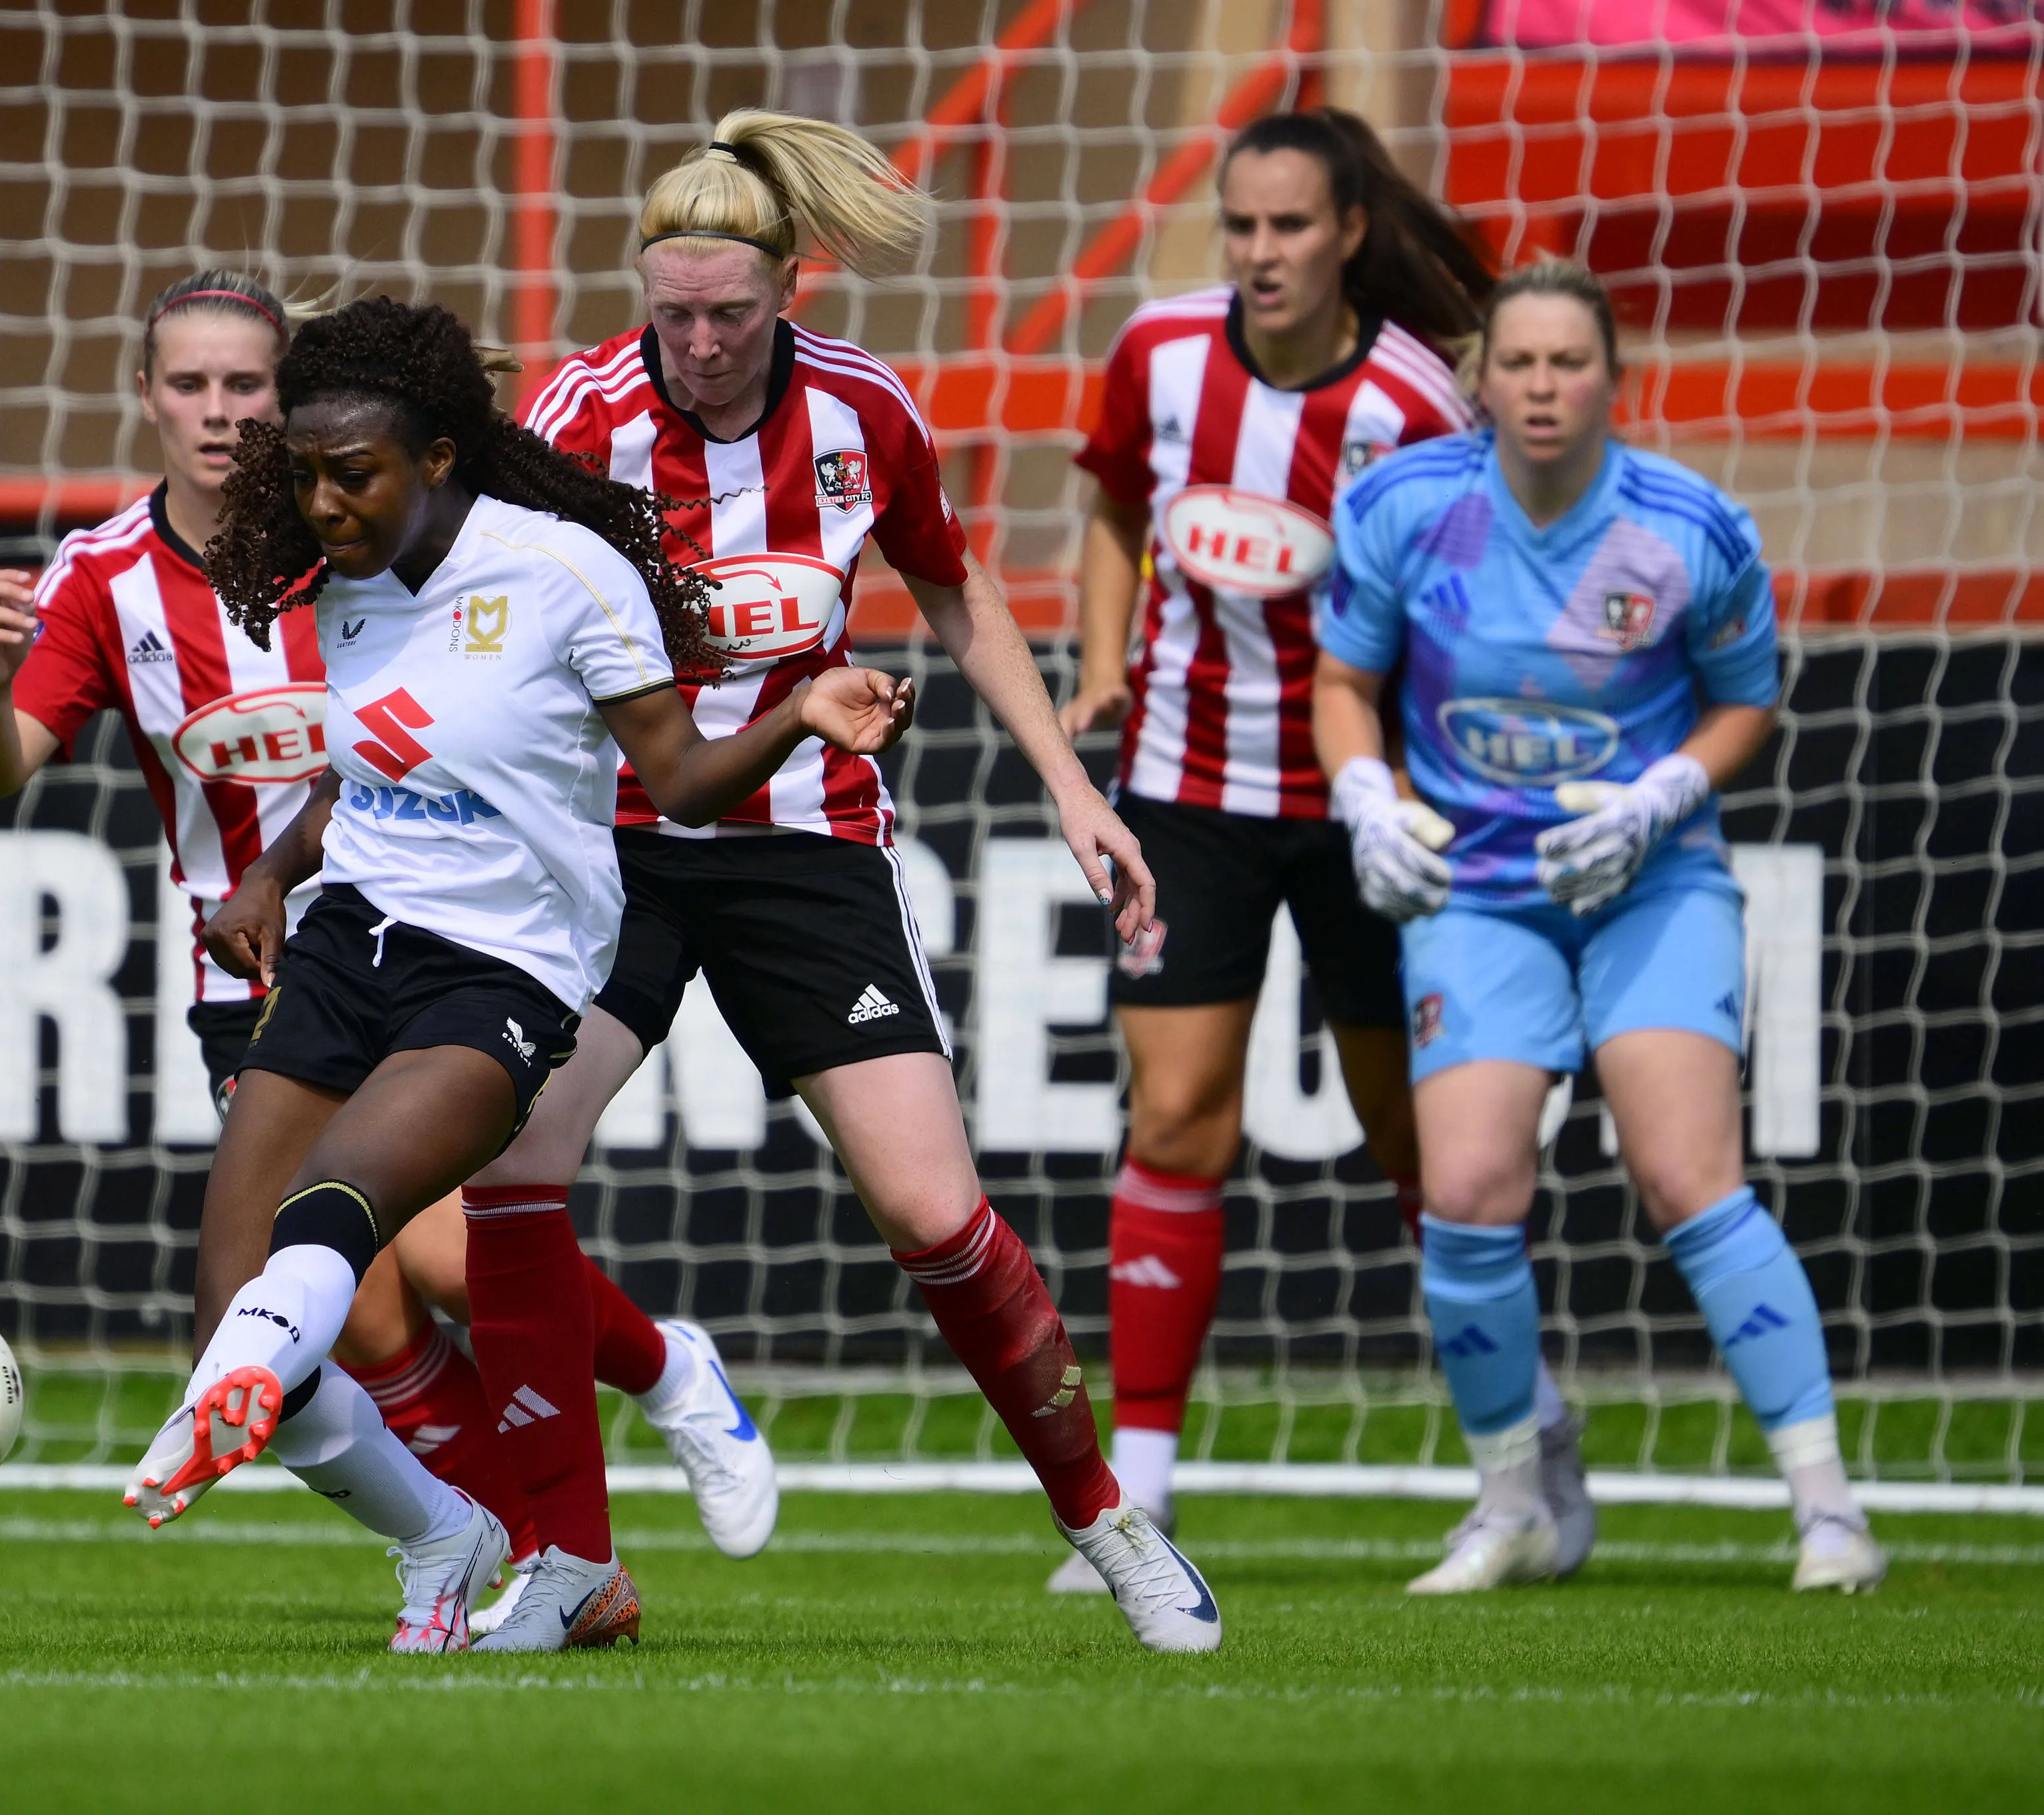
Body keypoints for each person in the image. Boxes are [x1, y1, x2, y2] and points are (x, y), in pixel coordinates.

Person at [481, 111, 1218, 1654]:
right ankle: (567, 1561)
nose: (698, 346)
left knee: (932, 1209)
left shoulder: (863, 409)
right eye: (673, 313)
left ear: (789, 289)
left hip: (806, 849)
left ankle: (1109, 1525)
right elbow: (497, 621)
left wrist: (1073, 789)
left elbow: (957, 595)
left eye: (730, 315)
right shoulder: (579, 414)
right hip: (614, 849)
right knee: (511, 1168)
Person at [119, 294, 924, 1654]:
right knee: (231, 1313)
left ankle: (280, 1398)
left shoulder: (563, 570)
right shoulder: (341, 574)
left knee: (340, 1204)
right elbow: (375, 758)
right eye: (302, 475)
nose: (321, 504)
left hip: (505, 967)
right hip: (349, 939)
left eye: (351, 474)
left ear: (437, 457)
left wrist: (799, 711)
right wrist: (270, 876)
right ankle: (442, 1535)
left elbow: (680, 779)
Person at [0, 273, 764, 1592]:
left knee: (436, 1258)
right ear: (146, 397)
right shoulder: (107, 578)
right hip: (267, 973)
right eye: (190, 384)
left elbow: (431, 736)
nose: (220, 412)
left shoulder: (391, 538)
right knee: (345, 1316)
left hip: (449, 941)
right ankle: (486, 1544)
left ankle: (646, 1406)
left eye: (246, 386)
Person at [1050, 107, 1597, 1584]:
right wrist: (1098, 664)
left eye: (1290, 224)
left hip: (1373, 807)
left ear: (1351, 231)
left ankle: (1530, 1449)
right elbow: (1112, 504)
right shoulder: (1160, 352)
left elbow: (1475, 596)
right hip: (1185, 794)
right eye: (1239, 224)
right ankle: (1138, 1498)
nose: (1260, 251)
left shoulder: (1419, 400)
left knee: (1420, 1144)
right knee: (1177, 1120)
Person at [1315, 257, 1883, 1595]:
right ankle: (1515, 1503)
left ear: (1613, 378)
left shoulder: (1691, 528)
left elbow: (1746, 698)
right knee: (1466, 1191)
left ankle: (1830, 1512)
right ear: (1482, 379)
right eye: (1518, 362)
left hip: (1649, 884)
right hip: (1476, 892)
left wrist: (1662, 794)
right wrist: (1367, 799)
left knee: (1689, 1179)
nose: (1542, 386)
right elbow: (1344, 680)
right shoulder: (1404, 506)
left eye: (1569, 363)